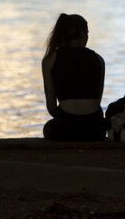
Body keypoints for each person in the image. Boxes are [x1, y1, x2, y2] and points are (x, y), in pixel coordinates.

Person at [41, 13, 107, 141]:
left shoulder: (50, 60)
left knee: (48, 128)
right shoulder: (99, 59)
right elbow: (97, 101)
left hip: (65, 129)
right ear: (84, 35)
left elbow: (51, 107)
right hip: (95, 130)